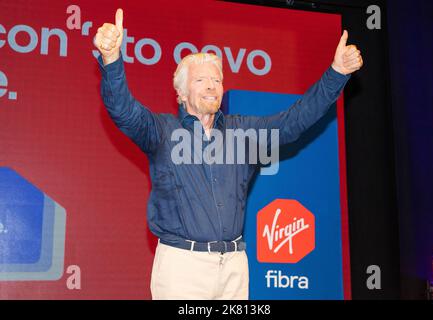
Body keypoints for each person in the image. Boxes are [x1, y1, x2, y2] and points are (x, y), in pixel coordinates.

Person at [94, 8, 363, 300]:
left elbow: (294, 121)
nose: (211, 86)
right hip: (183, 268)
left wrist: (337, 74)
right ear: (181, 93)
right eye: (200, 80)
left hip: (234, 267)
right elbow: (123, 110)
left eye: (217, 80)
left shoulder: (243, 133)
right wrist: (111, 60)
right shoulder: (161, 132)